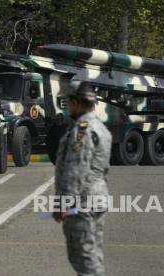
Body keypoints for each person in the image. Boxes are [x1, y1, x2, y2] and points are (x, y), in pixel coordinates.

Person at [53, 82, 112, 276]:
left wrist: (63, 203)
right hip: (97, 198)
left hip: (82, 202)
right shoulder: (100, 127)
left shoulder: (82, 130)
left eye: (68, 101)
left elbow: (76, 168)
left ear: (77, 102)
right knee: (93, 254)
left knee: (83, 257)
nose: (67, 105)